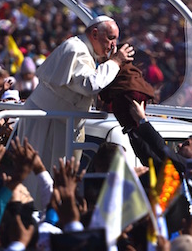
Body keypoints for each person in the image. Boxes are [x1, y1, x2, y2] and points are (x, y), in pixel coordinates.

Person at [17, 15, 134, 173]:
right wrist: (115, 61)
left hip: (58, 124)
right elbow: (89, 85)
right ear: (94, 34)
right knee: (40, 180)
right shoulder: (76, 49)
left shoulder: (86, 51)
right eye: (111, 38)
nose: (114, 46)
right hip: (47, 124)